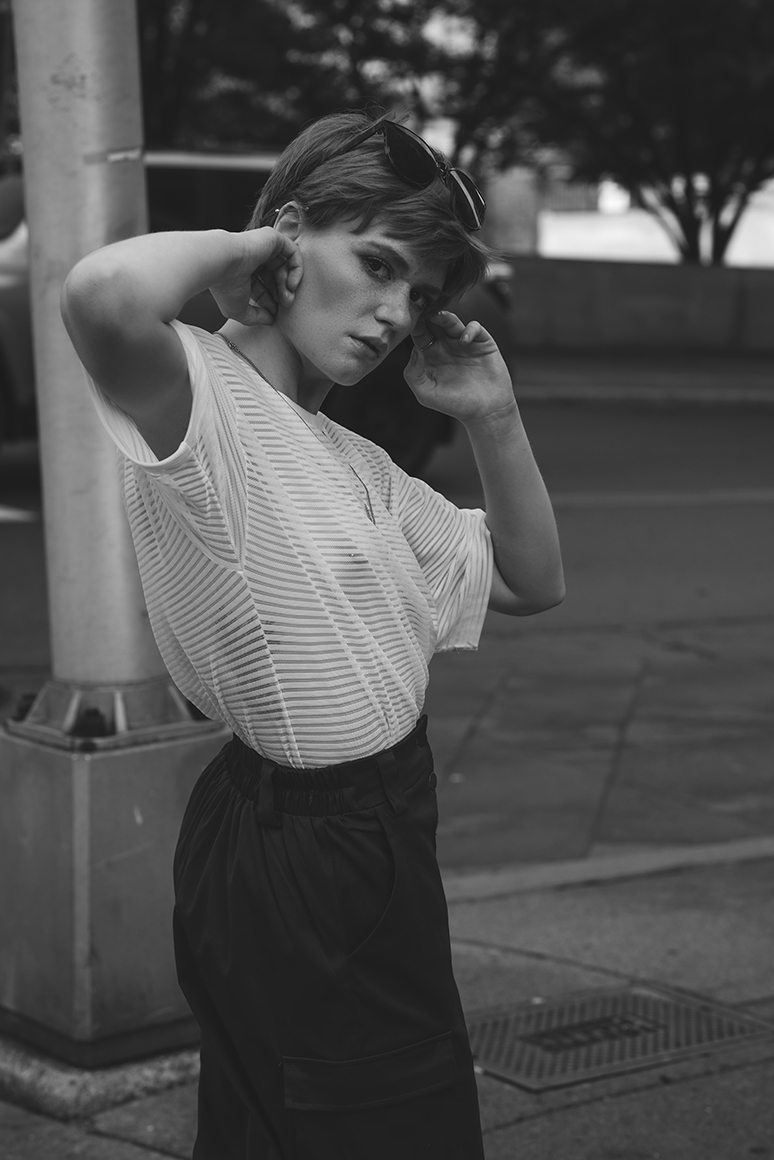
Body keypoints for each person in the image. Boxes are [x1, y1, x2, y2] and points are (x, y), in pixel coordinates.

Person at [61, 110, 564, 1159]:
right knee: (385, 1124)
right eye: (377, 264)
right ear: (291, 237)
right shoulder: (205, 402)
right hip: (307, 841)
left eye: (418, 293)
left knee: (296, 1125)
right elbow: (101, 293)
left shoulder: (354, 457)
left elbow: (531, 579)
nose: (394, 314)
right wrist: (245, 251)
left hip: (368, 826)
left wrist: (494, 417)